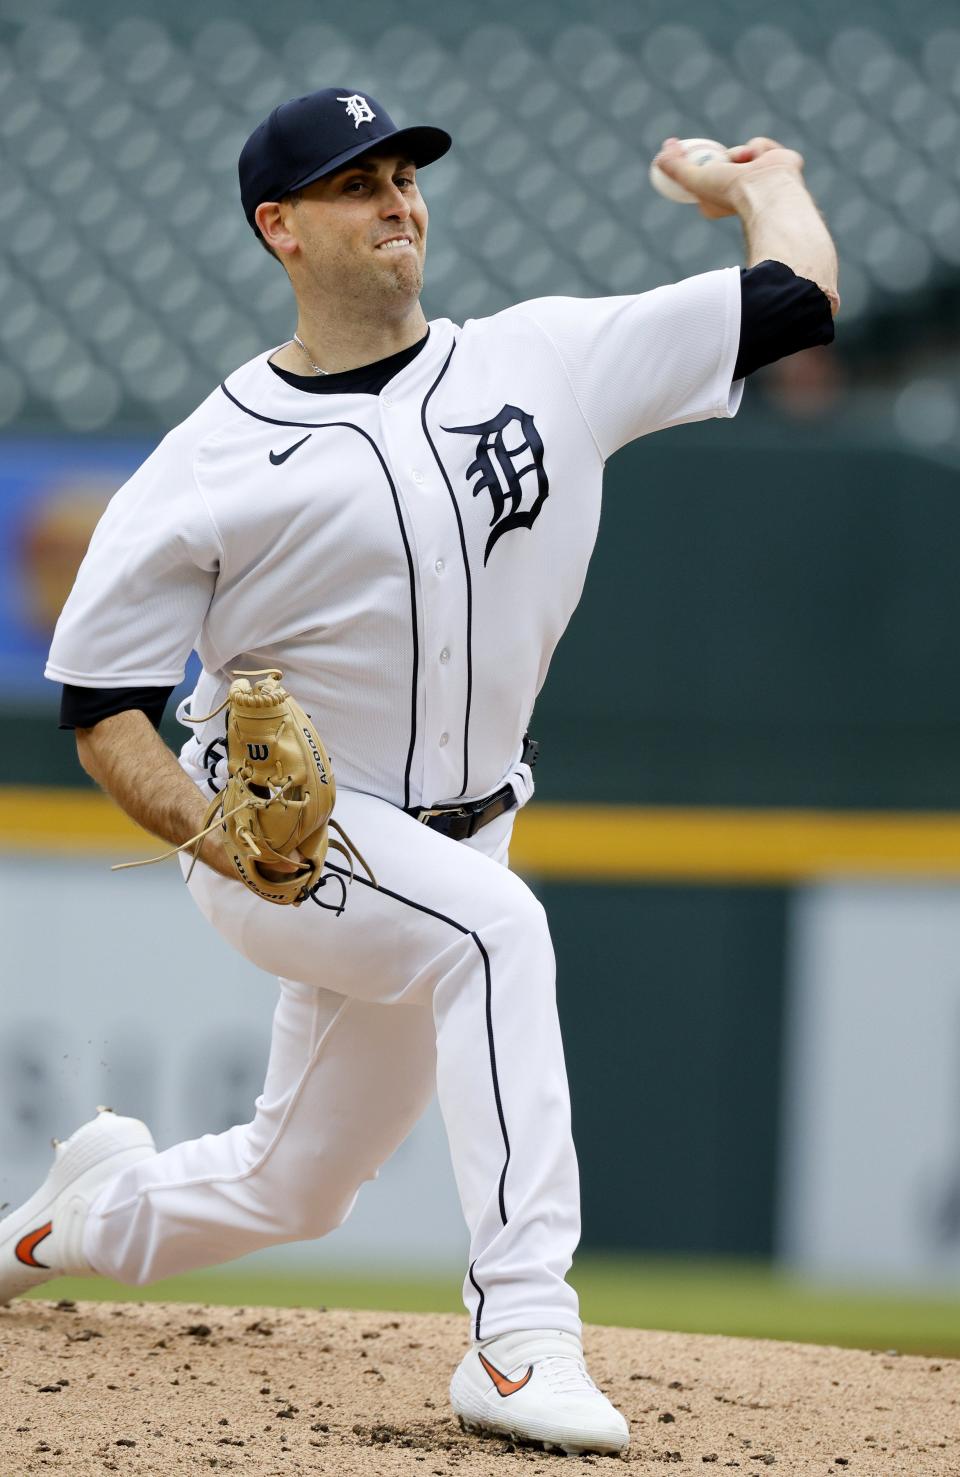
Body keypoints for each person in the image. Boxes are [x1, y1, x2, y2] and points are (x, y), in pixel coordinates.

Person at [0, 88, 837, 1455]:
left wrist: (762, 181)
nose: (396, 200)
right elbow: (102, 710)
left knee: (297, 1184)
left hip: (468, 829)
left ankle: (74, 1216)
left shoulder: (545, 360)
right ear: (280, 227)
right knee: (495, 934)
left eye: (402, 174)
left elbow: (797, 299)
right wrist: (217, 836)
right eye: (353, 184)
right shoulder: (206, 463)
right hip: (291, 836)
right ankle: (520, 1337)